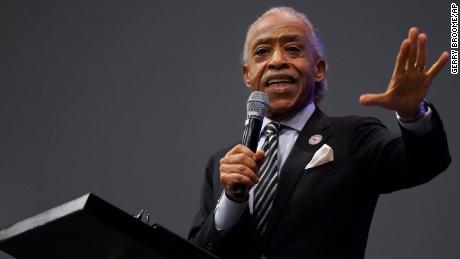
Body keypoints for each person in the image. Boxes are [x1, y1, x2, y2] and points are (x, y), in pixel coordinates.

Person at [189, 7, 451, 259]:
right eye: (262, 52)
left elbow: (424, 162)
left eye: (293, 49)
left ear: (319, 69)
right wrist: (232, 202)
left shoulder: (353, 138)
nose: (277, 60)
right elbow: (196, 250)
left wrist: (413, 114)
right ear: (248, 75)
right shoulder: (222, 164)